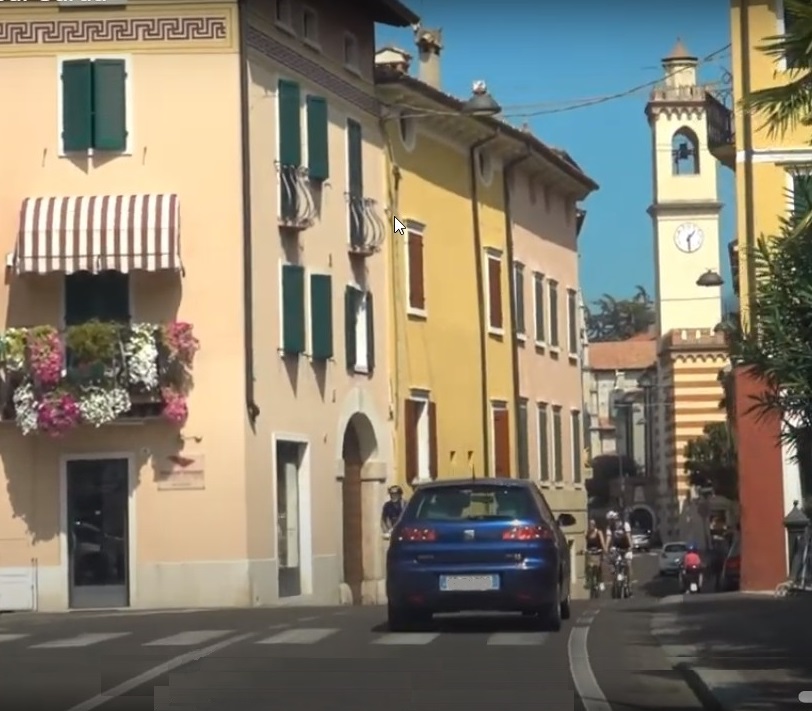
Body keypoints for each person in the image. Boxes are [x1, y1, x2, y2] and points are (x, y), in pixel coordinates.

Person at [608, 514, 633, 594]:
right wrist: (608, 548)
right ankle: (614, 579)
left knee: (628, 564)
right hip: (617, 548)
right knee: (613, 560)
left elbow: (628, 536)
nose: (616, 522)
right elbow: (609, 539)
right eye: (614, 520)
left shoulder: (625, 525)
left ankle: (629, 584)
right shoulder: (611, 527)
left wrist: (631, 547)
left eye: (617, 520)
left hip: (626, 547)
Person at [585, 519, 606, 592]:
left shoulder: (599, 532)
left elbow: (602, 542)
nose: (591, 526)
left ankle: (600, 581)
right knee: (588, 567)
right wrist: (583, 550)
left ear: (594, 525)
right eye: (590, 524)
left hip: (598, 553)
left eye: (592, 524)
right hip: (590, 553)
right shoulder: (587, 533)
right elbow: (585, 543)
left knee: (598, 567)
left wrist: (604, 550)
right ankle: (588, 581)